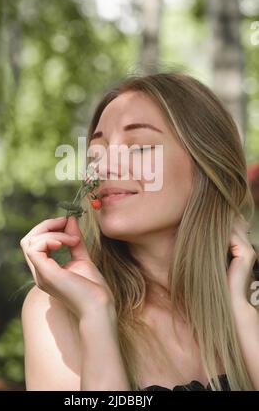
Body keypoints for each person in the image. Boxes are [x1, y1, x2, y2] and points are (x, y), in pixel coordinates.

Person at [20, 73, 259, 391]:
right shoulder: (58, 309)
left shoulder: (251, 288)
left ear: (208, 166)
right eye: (95, 154)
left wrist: (241, 313)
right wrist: (95, 316)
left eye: (139, 148)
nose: (103, 167)